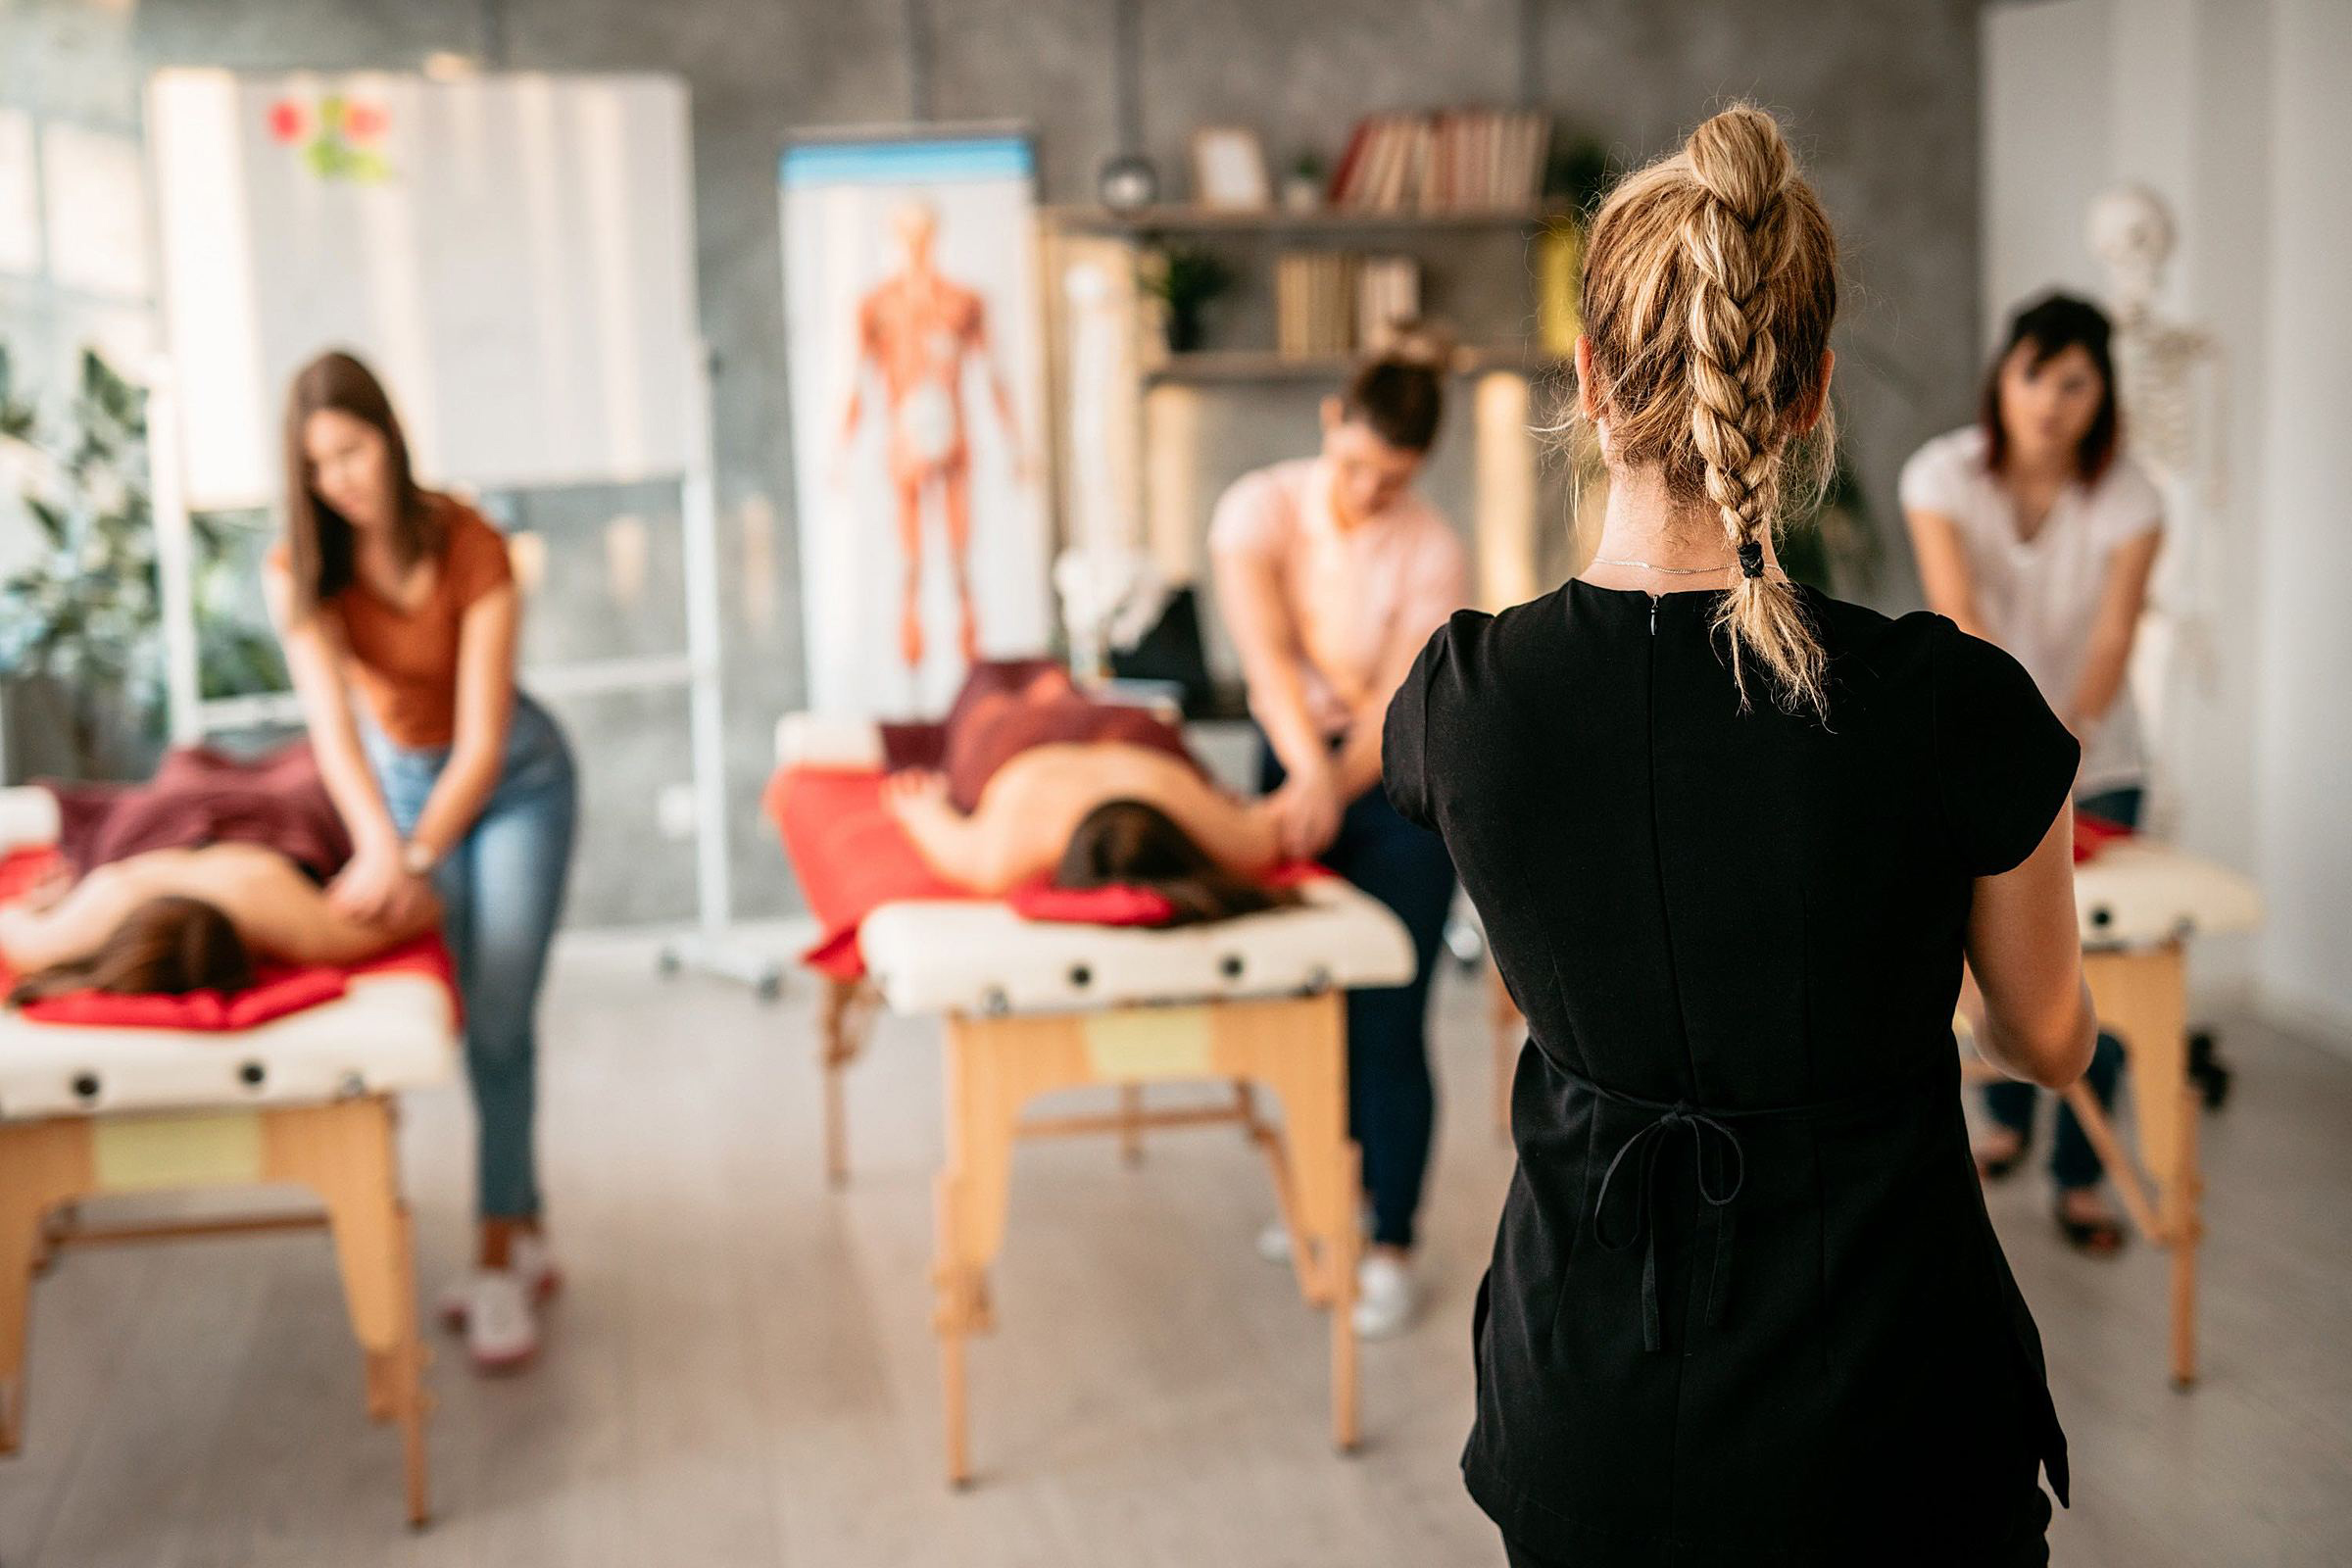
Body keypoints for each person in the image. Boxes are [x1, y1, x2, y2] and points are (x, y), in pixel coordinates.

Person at [1386, 106, 2093, 1564]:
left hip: (1588, 1404)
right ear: (1811, 393)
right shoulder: (1951, 706)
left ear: (1585, 379)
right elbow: (2048, 1040)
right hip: (1895, 1414)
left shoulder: (1466, 703)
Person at [265, 350, 578, 1373]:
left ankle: (495, 1258)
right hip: (397, 793)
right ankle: (521, 1224)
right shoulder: (299, 571)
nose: (340, 479)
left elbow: (483, 739)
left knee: (496, 1016)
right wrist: (377, 845)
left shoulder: (470, 542)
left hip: (516, 786)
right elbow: (335, 735)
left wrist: (417, 852)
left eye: (351, 450)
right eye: (318, 465)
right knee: (428, 1012)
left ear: (389, 437)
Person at [1208, 340, 1467, 1338]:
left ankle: (1392, 1238)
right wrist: (1307, 772)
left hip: (1399, 785)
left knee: (1387, 1015)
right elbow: (1266, 658)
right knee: (1302, 1004)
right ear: (1330, 422)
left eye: (1393, 478)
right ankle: (1332, 1199)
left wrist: (1336, 770)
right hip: (1292, 762)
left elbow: (1398, 704)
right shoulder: (1258, 508)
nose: (1368, 490)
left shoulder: (1433, 547)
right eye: (1356, 465)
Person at [1901, 293, 2164, 1253]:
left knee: (2106, 963)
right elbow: (1958, 611)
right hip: (1992, 754)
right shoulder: (1939, 474)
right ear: (1999, 377)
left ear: (2102, 396)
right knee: (2007, 955)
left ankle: (2082, 1178)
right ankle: (2007, 1125)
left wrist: (2063, 742)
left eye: (2074, 382)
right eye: (2031, 374)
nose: (2049, 401)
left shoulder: (2132, 497)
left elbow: (2113, 636)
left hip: (2099, 758)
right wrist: (2017, 750)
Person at [832, 201, 1033, 670]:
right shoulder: (877, 303)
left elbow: (993, 374)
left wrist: (1015, 444)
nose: (916, 242)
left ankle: (970, 653)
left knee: (960, 552)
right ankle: (911, 658)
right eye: (908, 232)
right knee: (911, 556)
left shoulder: (962, 300)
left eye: (922, 232)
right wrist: (842, 450)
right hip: (904, 437)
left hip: (954, 431)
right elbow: (857, 382)